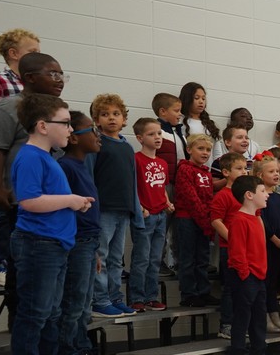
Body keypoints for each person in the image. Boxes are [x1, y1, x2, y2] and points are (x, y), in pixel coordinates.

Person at [9, 94, 95, 355]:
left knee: (52, 312)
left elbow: (47, 199)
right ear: (43, 126)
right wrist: (71, 200)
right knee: (35, 312)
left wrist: (74, 204)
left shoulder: (46, 157)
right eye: (65, 123)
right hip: (37, 244)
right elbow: (30, 201)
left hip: (55, 244)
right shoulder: (30, 156)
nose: (70, 130)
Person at [0, 52, 65, 311]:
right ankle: (21, 335)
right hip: (20, 202)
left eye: (62, 74)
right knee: (21, 274)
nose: (60, 80)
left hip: (51, 204)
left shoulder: (55, 109)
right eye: (53, 74)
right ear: (29, 78)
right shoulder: (9, 107)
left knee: (49, 279)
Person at [57, 111, 112, 355]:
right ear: (75, 139)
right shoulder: (65, 166)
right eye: (91, 130)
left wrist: (95, 251)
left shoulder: (83, 165)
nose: (97, 135)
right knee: (74, 302)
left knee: (83, 303)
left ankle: (81, 348)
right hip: (77, 242)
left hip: (88, 243)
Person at [87, 92, 143, 317]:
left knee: (116, 258)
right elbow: (88, 177)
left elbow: (133, 182)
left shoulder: (127, 147)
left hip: (123, 210)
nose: (111, 118)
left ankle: (115, 297)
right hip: (103, 210)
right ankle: (99, 299)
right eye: (105, 114)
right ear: (96, 120)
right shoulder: (96, 144)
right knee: (100, 254)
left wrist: (136, 212)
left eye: (116, 114)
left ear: (124, 119)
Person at [226, 175, 280, 355]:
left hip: (259, 276)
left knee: (259, 319)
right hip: (246, 277)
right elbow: (237, 254)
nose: (267, 194)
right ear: (249, 195)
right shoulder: (239, 220)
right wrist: (245, 275)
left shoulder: (257, 217)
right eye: (262, 191)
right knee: (242, 320)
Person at [129, 117, 174, 313]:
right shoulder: (136, 159)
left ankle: (151, 297)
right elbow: (132, 187)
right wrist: (140, 207)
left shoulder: (163, 163)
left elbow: (161, 186)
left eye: (159, 133)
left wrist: (167, 202)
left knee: (155, 258)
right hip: (145, 215)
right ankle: (137, 298)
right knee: (141, 258)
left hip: (160, 215)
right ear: (140, 138)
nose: (157, 137)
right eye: (151, 134)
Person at [174, 134, 217, 306]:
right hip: (187, 220)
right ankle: (189, 294)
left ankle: (203, 291)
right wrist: (205, 222)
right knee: (188, 258)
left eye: (208, 150)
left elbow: (208, 198)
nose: (205, 153)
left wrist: (208, 220)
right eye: (200, 148)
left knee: (202, 258)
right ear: (189, 150)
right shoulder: (185, 169)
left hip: (203, 221)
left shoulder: (206, 174)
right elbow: (192, 199)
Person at [210, 152, 249, 338]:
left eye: (245, 168)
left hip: (247, 250)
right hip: (230, 249)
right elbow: (216, 221)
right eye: (239, 169)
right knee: (230, 288)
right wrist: (233, 239)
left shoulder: (247, 197)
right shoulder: (224, 195)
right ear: (225, 172)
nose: (244, 172)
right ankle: (226, 324)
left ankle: (240, 324)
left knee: (244, 289)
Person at [254, 155, 280, 332]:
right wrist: (274, 239)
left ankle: (275, 316)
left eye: (277, 171)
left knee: (274, 283)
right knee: (266, 282)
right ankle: (265, 317)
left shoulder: (277, 197)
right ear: (260, 175)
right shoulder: (260, 196)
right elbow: (262, 220)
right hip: (267, 244)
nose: (276, 174)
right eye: (271, 171)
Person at [0, 28, 39, 120]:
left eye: (39, 52)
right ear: (13, 53)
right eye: (32, 52)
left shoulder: (35, 81)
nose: (38, 56)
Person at [152, 92, 185, 183]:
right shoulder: (158, 132)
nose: (180, 114)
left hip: (180, 180)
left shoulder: (178, 132)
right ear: (163, 112)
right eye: (176, 111)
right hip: (165, 181)